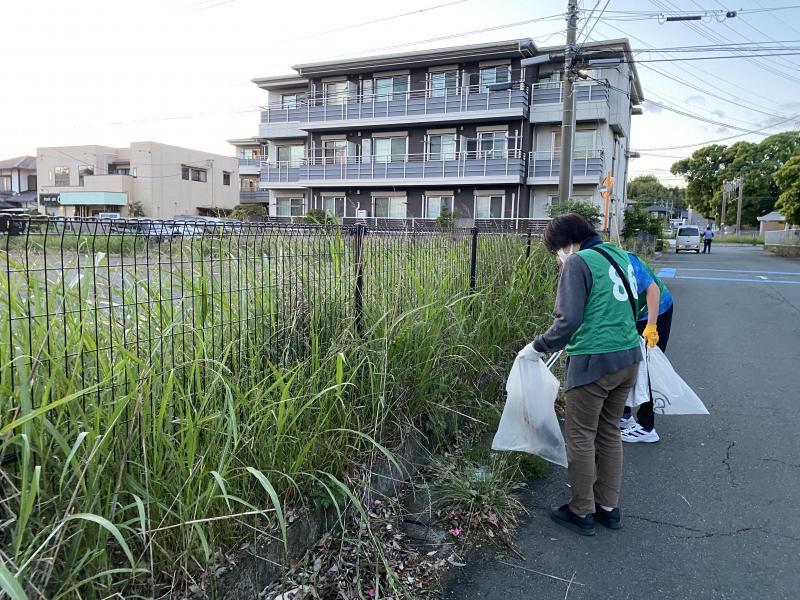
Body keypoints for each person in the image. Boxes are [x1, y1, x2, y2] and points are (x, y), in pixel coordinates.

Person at [518, 213, 641, 536]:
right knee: (609, 431)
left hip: (593, 361)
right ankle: (608, 507)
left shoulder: (578, 262)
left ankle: (581, 510)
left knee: (581, 435)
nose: (558, 258)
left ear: (566, 244)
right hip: (628, 357)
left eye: (557, 251)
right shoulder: (618, 254)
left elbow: (568, 319)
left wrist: (537, 346)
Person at [620, 253, 674, 443]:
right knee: (626, 363)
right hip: (633, 315)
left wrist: (651, 326)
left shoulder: (625, 260)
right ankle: (624, 415)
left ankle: (646, 427)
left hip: (656, 310)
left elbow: (653, 291)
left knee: (647, 367)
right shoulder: (590, 263)